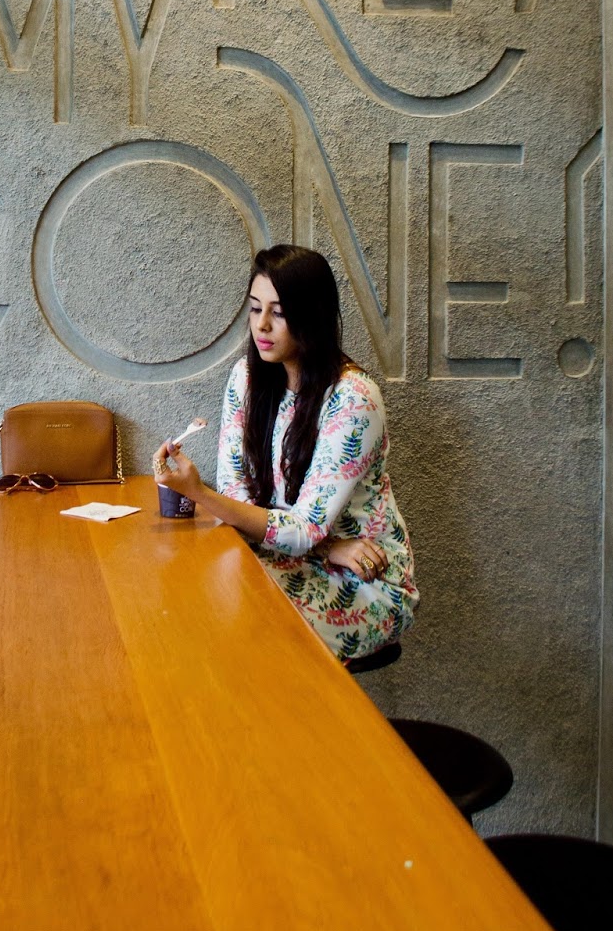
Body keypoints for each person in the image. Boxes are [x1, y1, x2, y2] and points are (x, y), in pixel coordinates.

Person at [152, 244, 418, 664]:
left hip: (363, 581)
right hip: (291, 554)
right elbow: (237, 494)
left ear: (312, 316)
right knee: (185, 595)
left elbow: (303, 530)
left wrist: (198, 493)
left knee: (236, 628)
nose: (261, 325)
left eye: (278, 313)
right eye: (255, 308)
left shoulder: (352, 399)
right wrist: (325, 546)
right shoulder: (247, 377)